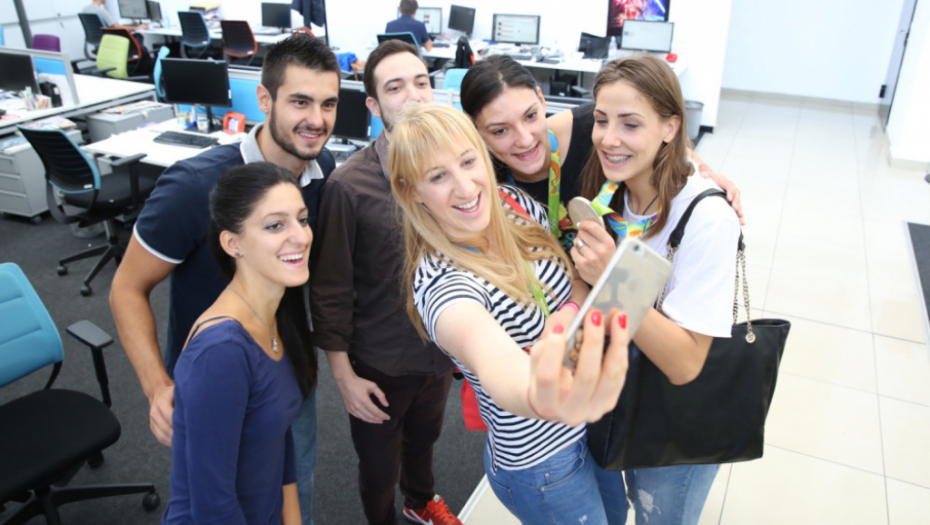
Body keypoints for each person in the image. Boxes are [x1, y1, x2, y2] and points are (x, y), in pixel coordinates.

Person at [109, 36, 339, 525]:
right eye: (300, 101)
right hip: (220, 378)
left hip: (285, 363)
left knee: (292, 482)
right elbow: (126, 288)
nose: (317, 120)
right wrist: (157, 386)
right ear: (265, 99)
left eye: (328, 104)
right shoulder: (195, 187)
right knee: (219, 497)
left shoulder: (322, 169)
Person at [388, 102, 630, 525]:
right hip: (544, 463)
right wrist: (546, 394)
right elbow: (498, 366)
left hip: (591, 429)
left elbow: (572, 277)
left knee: (617, 515)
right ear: (412, 193)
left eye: (468, 161)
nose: (465, 187)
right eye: (438, 176)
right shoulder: (445, 286)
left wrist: (568, 312)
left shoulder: (512, 203)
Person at [574, 55, 742, 525]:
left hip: (675, 419)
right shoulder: (612, 187)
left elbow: (686, 364)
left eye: (630, 124)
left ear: (670, 127)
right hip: (621, 396)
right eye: (601, 120)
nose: (609, 138)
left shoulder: (708, 219)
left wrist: (612, 275)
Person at [308, 40, 458, 525]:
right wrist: (344, 377)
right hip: (381, 362)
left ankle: (420, 500)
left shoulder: (457, 169)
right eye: (395, 87)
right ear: (373, 105)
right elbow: (329, 290)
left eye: (421, 82)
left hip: (439, 352)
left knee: (425, 442)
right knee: (378, 466)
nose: (412, 95)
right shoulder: (348, 187)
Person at [459, 55, 743, 255]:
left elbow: (657, 137)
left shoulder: (592, 127)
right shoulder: (478, 178)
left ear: (542, 100)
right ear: (476, 131)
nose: (524, 139)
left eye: (531, 116)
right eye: (500, 131)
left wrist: (703, 172)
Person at [162, 162, 314, 525]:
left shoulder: (273, 316)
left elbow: (279, 435)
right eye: (275, 225)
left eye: (302, 219)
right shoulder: (221, 352)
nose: (301, 237)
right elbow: (213, 507)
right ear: (233, 243)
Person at [82, 0, 149, 31]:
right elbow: (117, 27)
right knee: (138, 36)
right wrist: (137, 27)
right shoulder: (101, 11)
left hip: (95, 39)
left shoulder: (85, 9)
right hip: (108, 39)